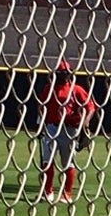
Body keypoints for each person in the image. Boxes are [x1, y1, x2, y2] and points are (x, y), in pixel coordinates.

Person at [36, 59, 98, 204]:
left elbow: (91, 107)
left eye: (64, 73)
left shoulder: (76, 90)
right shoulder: (49, 88)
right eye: (59, 73)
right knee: (47, 160)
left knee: (68, 162)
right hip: (52, 127)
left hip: (70, 129)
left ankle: (67, 194)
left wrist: (85, 124)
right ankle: (48, 192)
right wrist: (40, 124)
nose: (61, 76)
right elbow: (41, 106)